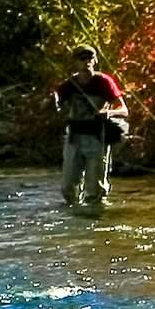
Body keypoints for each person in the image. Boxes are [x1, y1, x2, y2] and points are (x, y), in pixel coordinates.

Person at [53, 47, 129, 212]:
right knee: (68, 189)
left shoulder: (104, 82)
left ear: (95, 61)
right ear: (75, 62)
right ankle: (74, 223)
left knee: (95, 191)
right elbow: (56, 104)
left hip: (97, 139)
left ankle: (96, 222)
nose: (86, 62)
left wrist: (108, 112)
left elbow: (124, 110)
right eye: (82, 59)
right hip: (74, 139)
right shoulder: (69, 85)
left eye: (89, 58)